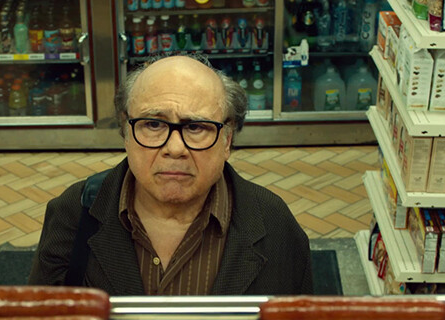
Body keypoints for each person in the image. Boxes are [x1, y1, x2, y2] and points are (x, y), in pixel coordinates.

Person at [28, 54, 313, 295]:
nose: (175, 149)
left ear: (227, 140)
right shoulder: (75, 211)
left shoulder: (275, 223)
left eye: (196, 127)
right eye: (153, 124)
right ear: (126, 132)